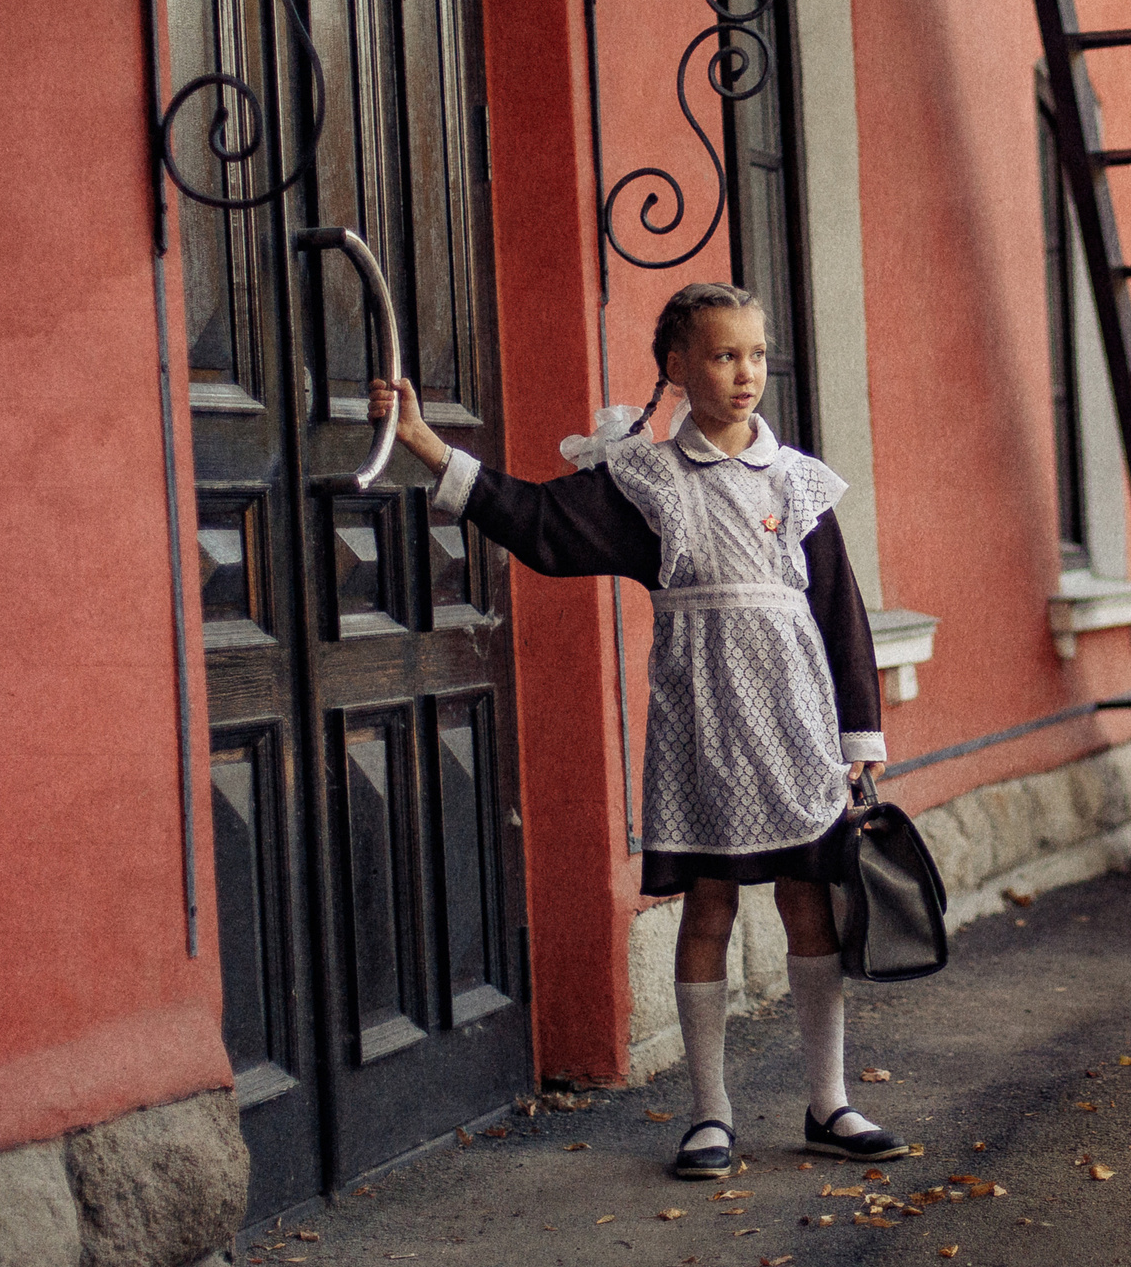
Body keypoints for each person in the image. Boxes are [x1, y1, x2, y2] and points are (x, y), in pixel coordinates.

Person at [368, 282, 906, 1181]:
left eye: (757, 355)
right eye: (725, 355)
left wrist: (860, 741)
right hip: (704, 733)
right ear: (678, 366)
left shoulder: (797, 480)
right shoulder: (647, 483)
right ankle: (710, 1112)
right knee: (708, 904)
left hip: (801, 729)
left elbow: (843, 616)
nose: (746, 374)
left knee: (810, 905)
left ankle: (828, 1100)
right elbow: (538, 524)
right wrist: (425, 443)